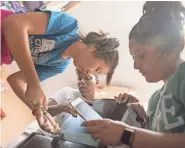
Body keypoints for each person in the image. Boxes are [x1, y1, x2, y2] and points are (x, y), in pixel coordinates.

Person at [82, 1, 185, 148]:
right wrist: (144, 117)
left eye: (141, 55)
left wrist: (127, 135)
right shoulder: (156, 98)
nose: (136, 66)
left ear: (172, 48)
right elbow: (158, 137)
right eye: (134, 58)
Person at [1, 8, 119, 122]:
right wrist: (34, 83)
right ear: (94, 49)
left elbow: (16, 80)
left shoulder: (58, 66)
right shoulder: (68, 26)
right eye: (97, 69)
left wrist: (39, 111)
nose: (89, 73)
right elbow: (13, 23)